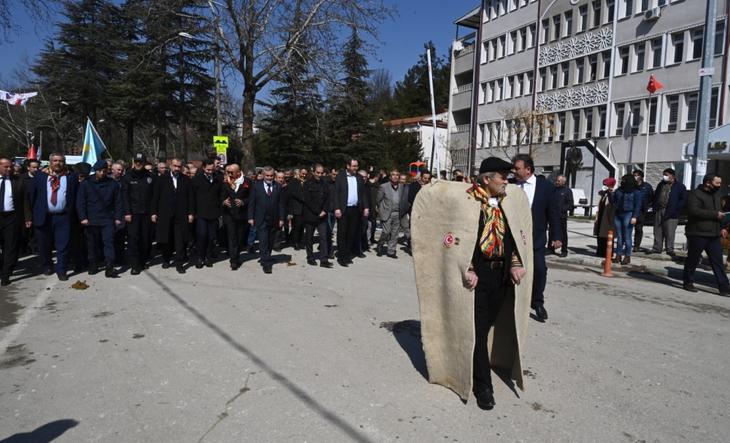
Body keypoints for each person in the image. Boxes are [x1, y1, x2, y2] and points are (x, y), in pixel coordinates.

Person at [464, 157, 530, 410]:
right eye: (502, 176)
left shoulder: (505, 204)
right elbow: (463, 236)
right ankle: (483, 386)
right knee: (479, 329)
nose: (506, 180)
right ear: (486, 179)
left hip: (502, 274)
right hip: (480, 273)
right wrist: (468, 267)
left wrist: (515, 262)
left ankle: (477, 363)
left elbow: (512, 235)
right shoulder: (470, 202)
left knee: (490, 323)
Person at [512, 154, 561, 322]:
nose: (514, 171)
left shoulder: (546, 188)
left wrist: (556, 235)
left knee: (540, 270)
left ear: (528, 169)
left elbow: (554, 213)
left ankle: (537, 302)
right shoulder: (511, 185)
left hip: (536, 237)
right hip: (512, 237)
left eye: (517, 168)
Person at [28, 153, 79, 281]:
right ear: (50, 162)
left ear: (64, 162)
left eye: (61, 161)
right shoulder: (40, 176)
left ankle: (61, 270)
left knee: (63, 245)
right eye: (55, 160)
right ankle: (47, 265)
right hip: (44, 216)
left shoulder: (71, 177)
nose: (58, 163)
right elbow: (31, 196)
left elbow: (76, 197)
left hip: (63, 217)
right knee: (44, 244)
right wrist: (31, 215)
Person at [682, 174, 730, 296]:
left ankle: (724, 287)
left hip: (714, 234)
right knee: (693, 259)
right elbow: (694, 210)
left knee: (718, 261)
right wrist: (715, 214)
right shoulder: (695, 194)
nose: (719, 185)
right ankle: (688, 281)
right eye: (717, 183)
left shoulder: (716, 195)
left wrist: (723, 227)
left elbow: (720, 212)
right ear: (708, 183)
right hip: (698, 232)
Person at [76, 160, 124, 277]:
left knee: (108, 243)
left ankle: (109, 267)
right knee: (92, 244)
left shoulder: (112, 184)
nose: (102, 173)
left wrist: (118, 217)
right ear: (95, 171)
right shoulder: (86, 183)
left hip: (107, 219)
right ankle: (93, 264)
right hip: (91, 219)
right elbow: (80, 202)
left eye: (104, 171)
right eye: (99, 171)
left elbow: (118, 202)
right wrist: (83, 217)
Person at [151, 158, 194, 274]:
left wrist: (190, 213)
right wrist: (154, 212)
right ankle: (166, 259)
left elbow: (190, 198)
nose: (177, 169)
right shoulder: (161, 179)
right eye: (175, 166)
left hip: (181, 215)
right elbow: (155, 197)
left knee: (180, 240)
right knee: (166, 239)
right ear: (170, 166)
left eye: (179, 167)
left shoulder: (186, 180)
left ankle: (179, 263)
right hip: (165, 214)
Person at [248, 166, 285, 274]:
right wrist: (250, 217)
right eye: (267, 176)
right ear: (263, 175)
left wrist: (281, 218)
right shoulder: (256, 186)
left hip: (274, 219)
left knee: (270, 241)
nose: (269, 178)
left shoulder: (278, 186)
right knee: (263, 241)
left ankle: (266, 255)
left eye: (271, 176)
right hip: (261, 218)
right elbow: (252, 203)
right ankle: (266, 263)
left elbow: (281, 204)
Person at [122, 153, 155, 275]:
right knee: (133, 239)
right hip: (133, 214)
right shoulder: (127, 177)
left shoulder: (151, 177)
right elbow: (125, 196)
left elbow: (154, 196)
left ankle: (143, 260)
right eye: (136, 161)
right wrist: (127, 212)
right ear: (133, 162)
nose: (138, 163)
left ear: (144, 163)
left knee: (145, 239)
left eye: (140, 162)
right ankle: (135, 264)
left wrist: (153, 212)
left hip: (147, 213)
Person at [0, 157, 30, 286]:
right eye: (6, 167)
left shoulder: (19, 181)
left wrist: (28, 218)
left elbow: (25, 201)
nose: (9, 169)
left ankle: (5, 274)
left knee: (10, 247)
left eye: (11, 166)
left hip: (12, 217)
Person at [334, 159, 369, 267]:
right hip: (343, 209)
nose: (355, 168)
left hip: (355, 209)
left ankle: (347, 254)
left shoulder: (358, 177)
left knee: (351, 233)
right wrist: (337, 208)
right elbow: (336, 193)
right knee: (342, 233)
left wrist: (366, 207)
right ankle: (341, 257)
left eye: (357, 166)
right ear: (348, 166)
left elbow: (363, 194)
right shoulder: (340, 177)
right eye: (354, 166)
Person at [191, 159, 223, 268]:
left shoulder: (218, 179)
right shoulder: (197, 179)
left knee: (211, 237)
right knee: (201, 236)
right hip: (201, 213)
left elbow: (220, 195)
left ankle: (208, 257)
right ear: (204, 168)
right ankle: (200, 257)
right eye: (208, 169)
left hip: (214, 213)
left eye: (212, 169)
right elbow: (192, 197)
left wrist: (219, 210)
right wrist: (193, 212)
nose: (210, 171)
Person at [649, 168, 687, 257]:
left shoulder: (680, 186)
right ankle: (657, 248)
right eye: (664, 174)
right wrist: (654, 207)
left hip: (671, 211)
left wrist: (677, 209)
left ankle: (670, 249)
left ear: (672, 176)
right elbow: (656, 196)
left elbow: (683, 199)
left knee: (670, 231)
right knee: (657, 230)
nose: (664, 176)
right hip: (659, 209)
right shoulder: (661, 185)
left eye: (666, 174)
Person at [221, 163, 251, 270]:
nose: (229, 174)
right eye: (228, 172)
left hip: (242, 215)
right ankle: (233, 260)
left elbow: (251, 198)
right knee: (232, 236)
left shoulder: (247, 181)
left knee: (240, 238)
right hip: (229, 214)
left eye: (231, 172)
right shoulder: (225, 182)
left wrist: (243, 202)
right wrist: (223, 201)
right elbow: (220, 195)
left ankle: (236, 254)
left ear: (238, 172)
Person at [302, 164, 332, 268]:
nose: (319, 174)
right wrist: (317, 211)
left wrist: (324, 210)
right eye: (318, 172)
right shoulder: (307, 183)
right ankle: (310, 257)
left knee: (323, 237)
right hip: (310, 215)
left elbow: (328, 198)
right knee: (309, 238)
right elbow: (307, 200)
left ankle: (324, 259)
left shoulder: (325, 183)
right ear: (314, 172)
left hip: (322, 216)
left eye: (321, 173)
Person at [376, 169, 408, 258]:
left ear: (399, 177)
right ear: (390, 177)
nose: (395, 176)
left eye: (397, 175)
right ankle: (380, 244)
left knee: (395, 233)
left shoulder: (401, 187)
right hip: (387, 213)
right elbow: (378, 200)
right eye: (393, 175)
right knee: (386, 231)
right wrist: (381, 211)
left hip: (397, 213)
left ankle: (391, 251)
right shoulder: (383, 186)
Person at [611, 174, 641, 265]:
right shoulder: (619, 190)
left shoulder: (636, 192)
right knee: (620, 237)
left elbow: (638, 205)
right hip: (618, 214)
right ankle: (618, 255)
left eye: (624, 180)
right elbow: (613, 202)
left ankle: (627, 256)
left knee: (627, 236)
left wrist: (635, 217)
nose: (622, 182)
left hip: (629, 213)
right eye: (622, 180)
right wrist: (610, 193)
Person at [550, 174, 573, 257]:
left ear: (563, 182)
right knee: (551, 232)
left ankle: (564, 250)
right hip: (552, 215)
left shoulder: (567, 191)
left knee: (563, 234)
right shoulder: (554, 190)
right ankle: (551, 248)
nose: (557, 182)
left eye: (559, 181)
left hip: (561, 216)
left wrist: (562, 209)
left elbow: (570, 205)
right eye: (556, 180)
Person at [594, 177, 616, 258]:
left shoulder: (613, 193)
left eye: (606, 185)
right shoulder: (602, 194)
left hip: (608, 217)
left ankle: (608, 253)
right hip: (601, 216)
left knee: (607, 235)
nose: (604, 186)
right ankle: (600, 251)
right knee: (600, 234)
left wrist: (610, 193)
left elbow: (613, 203)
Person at [632, 170, 654, 253]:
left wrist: (647, 206)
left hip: (642, 211)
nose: (635, 177)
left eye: (637, 175)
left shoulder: (647, 186)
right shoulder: (631, 186)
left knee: (638, 228)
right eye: (634, 175)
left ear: (641, 177)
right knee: (629, 228)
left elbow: (651, 197)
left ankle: (636, 246)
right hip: (632, 210)